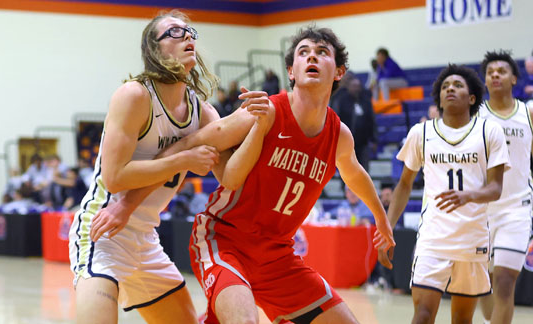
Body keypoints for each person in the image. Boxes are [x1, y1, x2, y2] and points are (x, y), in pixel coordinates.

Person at [94, 26, 395, 324]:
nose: (312, 57)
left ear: (339, 71)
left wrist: (382, 221)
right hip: (224, 240)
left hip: (278, 256)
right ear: (291, 71)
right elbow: (187, 144)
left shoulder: (339, 135)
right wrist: (127, 204)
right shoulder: (264, 110)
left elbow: (355, 175)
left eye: (321, 52)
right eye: (303, 52)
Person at [68, 10, 225, 324]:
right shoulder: (135, 96)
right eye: (174, 33)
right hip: (102, 232)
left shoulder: (201, 111)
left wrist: (261, 116)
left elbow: (230, 173)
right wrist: (182, 159)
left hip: (146, 239)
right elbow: (114, 178)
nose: (188, 38)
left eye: (189, 32)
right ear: (154, 49)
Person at [378, 64, 510, 324]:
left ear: (472, 98)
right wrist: (387, 228)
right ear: (439, 97)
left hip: (472, 237)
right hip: (433, 238)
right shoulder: (421, 133)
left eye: (458, 85)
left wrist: (469, 196)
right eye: (445, 86)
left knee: (461, 319)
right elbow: (404, 184)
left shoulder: (489, 131)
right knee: (423, 315)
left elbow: (495, 188)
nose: (450, 88)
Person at [477, 50, 533, 324]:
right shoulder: (474, 117)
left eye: (501, 70)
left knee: (504, 281)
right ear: (485, 81)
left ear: (514, 78)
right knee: (483, 282)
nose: (495, 74)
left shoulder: (528, 112)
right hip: (481, 211)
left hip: (517, 209)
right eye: (490, 72)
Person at [330, 74, 377, 171]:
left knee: (364, 168)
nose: (356, 89)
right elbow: (336, 120)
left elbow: (372, 120)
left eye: (358, 87)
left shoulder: (365, 101)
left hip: (363, 142)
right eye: (354, 86)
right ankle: (344, 186)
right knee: (347, 168)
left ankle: (363, 186)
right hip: (347, 142)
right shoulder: (341, 101)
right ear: (349, 87)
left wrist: (374, 139)